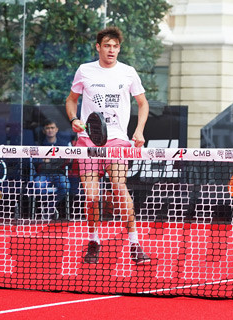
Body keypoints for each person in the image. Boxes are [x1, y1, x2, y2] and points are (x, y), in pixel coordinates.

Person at [65, 26, 151, 264]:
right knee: (92, 197)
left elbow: (143, 104)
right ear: (98, 47)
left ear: (119, 49)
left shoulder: (128, 73)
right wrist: (74, 119)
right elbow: (71, 101)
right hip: (87, 142)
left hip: (117, 141)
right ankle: (94, 241)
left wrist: (139, 130)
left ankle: (134, 243)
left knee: (118, 187)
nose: (111, 50)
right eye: (107, 46)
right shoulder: (84, 71)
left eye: (115, 46)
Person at [32, 120, 74, 218]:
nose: (50, 130)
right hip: (43, 174)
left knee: (65, 186)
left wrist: (49, 160)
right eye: (47, 128)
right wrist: (52, 160)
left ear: (56, 130)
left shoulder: (63, 144)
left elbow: (66, 160)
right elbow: (36, 161)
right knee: (37, 186)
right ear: (44, 131)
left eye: (52, 128)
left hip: (59, 174)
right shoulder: (39, 145)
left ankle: (50, 206)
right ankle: (46, 205)